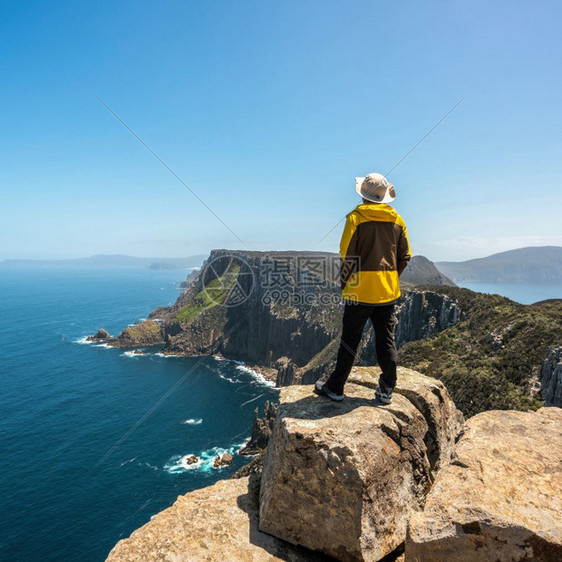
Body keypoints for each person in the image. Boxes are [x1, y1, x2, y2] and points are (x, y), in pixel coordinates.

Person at [314, 173, 411, 404]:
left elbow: (347, 256)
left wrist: (345, 284)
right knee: (386, 340)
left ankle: (336, 388)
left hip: (359, 291)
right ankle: (387, 389)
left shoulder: (355, 219)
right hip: (387, 292)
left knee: (350, 340)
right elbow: (405, 256)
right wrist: (390, 279)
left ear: (364, 195)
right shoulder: (398, 220)